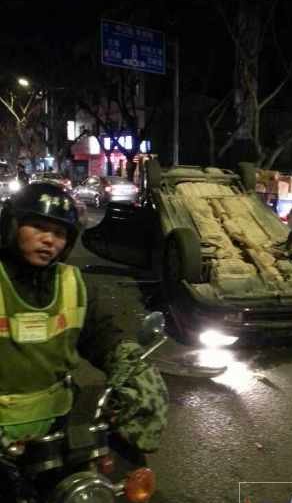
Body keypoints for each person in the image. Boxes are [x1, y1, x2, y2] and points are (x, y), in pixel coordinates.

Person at [0, 182, 168, 453]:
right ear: (12, 227)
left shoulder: (73, 284)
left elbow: (102, 333)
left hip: (58, 424)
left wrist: (132, 368)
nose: (49, 240)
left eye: (59, 233)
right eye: (39, 228)